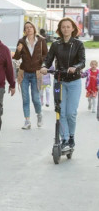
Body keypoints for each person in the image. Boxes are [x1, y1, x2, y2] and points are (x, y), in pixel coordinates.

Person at [40, 17, 86, 151]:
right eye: (63, 27)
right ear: (60, 29)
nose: (65, 29)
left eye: (68, 26)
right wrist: (44, 66)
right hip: (59, 81)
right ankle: (64, 139)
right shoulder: (56, 45)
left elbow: (82, 62)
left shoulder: (78, 44)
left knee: (71, 113)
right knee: (61, 111)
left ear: (73, 28)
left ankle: (71, 137)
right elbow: (48, 60)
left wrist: (75, 67)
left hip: (74, 81)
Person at [13, 21, 48, 130]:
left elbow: (46, 55)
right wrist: (18, 51)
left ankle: (39, 114)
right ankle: (27, 121)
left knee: (36, 98)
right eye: (26, 28)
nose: (28, 29)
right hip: (24, 73)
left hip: (36, 73)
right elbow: (17, 58)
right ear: (25, 30)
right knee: (25, 98)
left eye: (30, 27)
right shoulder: (21, 41)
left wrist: (41, 63)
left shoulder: (41, 41)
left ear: (34, 28)